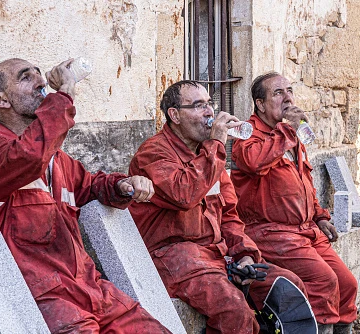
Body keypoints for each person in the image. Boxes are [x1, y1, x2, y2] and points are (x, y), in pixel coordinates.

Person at [0, 58, 170, 333]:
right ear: (0, 100)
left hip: (89, 287)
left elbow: (90, 184)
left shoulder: (57, 160)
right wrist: (64, 95)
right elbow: (29, 156)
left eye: (39, 74)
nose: (40, 81)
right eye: (26, 78)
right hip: (43, 296)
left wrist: (123, 185)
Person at [128, 80, 311, 334]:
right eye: (198, 105)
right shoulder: (154, 153)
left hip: (215, 254)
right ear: (175, 115)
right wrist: (216, 146)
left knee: (288, 285)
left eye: (209, 104)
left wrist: (244, 254)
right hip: (173, 256)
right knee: (235, 312)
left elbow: (229, 215)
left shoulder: (208, 154)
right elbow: (185, 194)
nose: (209, 113)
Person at [230, 72, 358, 334]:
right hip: (270, 232)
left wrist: (320, 215)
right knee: (324, 281)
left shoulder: (291, 134)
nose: (287, 97)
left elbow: (304, 180)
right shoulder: (248, 134)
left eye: (289, 90)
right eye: (278, 93)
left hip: (306, 230)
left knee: (346, 285)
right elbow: (253, 161)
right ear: (260, 104)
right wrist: (288, 129)